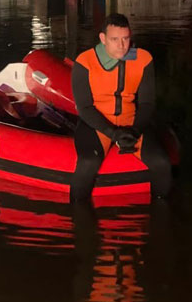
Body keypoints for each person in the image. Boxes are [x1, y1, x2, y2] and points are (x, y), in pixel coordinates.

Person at [70, 13, 172, 201]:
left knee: (162, 163)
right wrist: (113, 133)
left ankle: (160, 214)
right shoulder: (85, 62)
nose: (121, 45)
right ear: (103, 39)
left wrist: (135, 130)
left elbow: (147, 102)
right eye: (115, 39)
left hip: (131, 120)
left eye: (125, 39)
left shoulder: (143, 59)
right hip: (97, 123)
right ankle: (79, 218)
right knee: (88, 162)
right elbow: (84, 108)